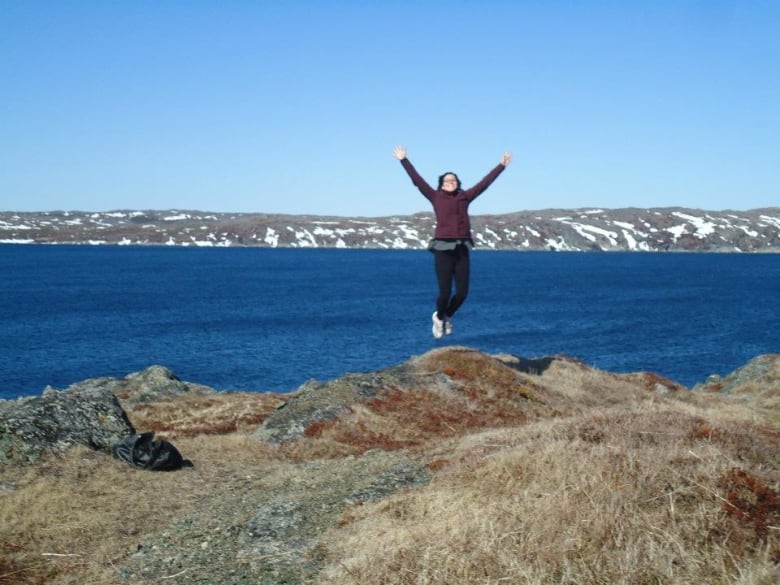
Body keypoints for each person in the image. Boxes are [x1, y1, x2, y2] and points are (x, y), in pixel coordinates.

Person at [393, 145, 512, 338]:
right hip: (443, 248)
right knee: (445, 292)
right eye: (447, 180)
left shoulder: (465, 197)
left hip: (462, 248)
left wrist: (501, 166)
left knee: (463, 293)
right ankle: (439, 317)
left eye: (454, 179)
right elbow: (417, 180)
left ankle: (448, 315)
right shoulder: (435, 196)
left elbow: (484, 184)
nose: (451, 182)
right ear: (441, 184)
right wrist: (404, 160)